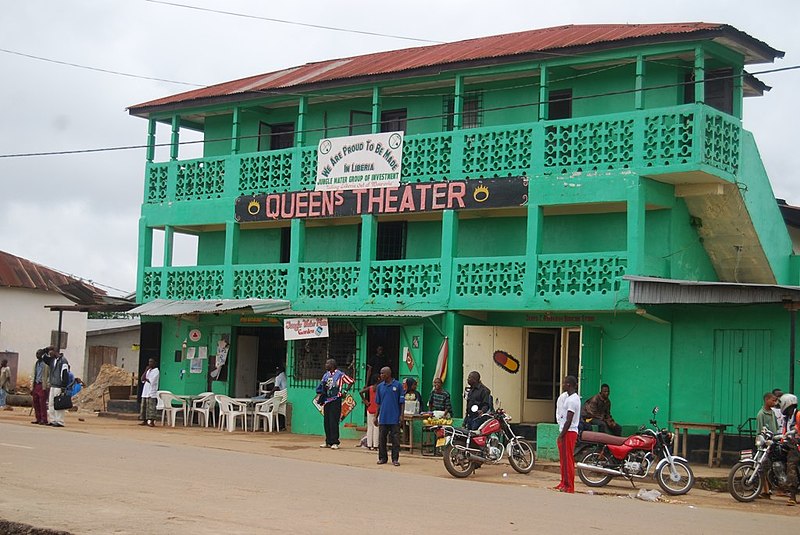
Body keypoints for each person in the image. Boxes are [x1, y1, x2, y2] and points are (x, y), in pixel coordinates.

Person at [316, 358, 354, 449]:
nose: (325, 365)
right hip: (327, 400)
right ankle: (327, 441)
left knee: (334, 421)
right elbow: (322, 386)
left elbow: (351, 381)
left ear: (332, 365)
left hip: (335, 400)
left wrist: (344, 392)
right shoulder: (326, 375)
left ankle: (335, 442)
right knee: (327, 421)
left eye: (327, 363)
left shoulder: (340, 375)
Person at [555, 375, 581, 493]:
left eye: (565, 383)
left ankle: (569, 486)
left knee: (568, 459)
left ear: (569, 385)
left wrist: (561, 435)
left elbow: (569, 420)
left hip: (569, 432)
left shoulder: (572, 400)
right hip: (566, 431)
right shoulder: (568, 398)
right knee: (564, 459)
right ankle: (564, 482)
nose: (563, 385)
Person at [375, 366, 404, 466]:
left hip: (394, 417)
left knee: (395, 439)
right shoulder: (380, 387)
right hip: (383, 417)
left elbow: (402, 402)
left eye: (383, 373)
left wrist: (401, 416)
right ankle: (383, 458)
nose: (381, 375)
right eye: (380, 373)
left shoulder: (398, 385)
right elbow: (378, 403)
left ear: (388, 374)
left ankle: (395, 459)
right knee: (382, 439)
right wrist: (375, 416)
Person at [779, 393, 799, 506]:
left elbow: (797, 429)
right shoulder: (787, 418)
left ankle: (792, 496)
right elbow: (784, 431)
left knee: (791, 466)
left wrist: (795, 431)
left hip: (797, 446)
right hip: (789, 444)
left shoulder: (798, 415)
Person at [42, 348, 69, 427]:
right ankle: (53, 420)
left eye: (51, 352)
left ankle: (60, 421)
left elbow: (64, 373)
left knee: (58, 404)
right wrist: (45, 350)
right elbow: (44, 358)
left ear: (55, 352)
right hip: (53, 385)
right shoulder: (52, 360)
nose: (49, 353)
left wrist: (63, 385)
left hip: (59, 385)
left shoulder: (63, 361)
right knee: (51, 404)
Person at [359, 375, 379, 451]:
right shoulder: (380, 388)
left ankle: (369, 445)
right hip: (377, 409)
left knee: (370, 427)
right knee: (376, 427)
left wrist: (365, 401)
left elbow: (360, 392)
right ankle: (376, 445)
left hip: (370, 408)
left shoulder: (370, 388)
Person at [31, 348, 51, 424]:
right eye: (36, 354)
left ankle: (44, 419)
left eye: (39, 354)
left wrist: (47, 386)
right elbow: (33, 375)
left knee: (42, 402)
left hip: (43, 385)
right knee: (35, 402)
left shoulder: (46, 365)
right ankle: (38, 418)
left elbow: (49, 376)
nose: (37, 355)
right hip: (36, 384)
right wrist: (31, 387)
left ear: (42, 355)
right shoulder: (36, 364)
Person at [139, 358, 160, 427]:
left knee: (151, 407)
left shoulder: (156, 371)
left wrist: (146, 378)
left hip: (151, 392)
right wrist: (145, 371)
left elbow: (151, 381)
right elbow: (142, 379)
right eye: (149, 362)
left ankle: (152, 421)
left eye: (151, 362)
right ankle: (144, 420)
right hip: (145, 391)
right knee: (144, 406)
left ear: (155, 363)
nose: (150, 363)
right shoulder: (148, 371)